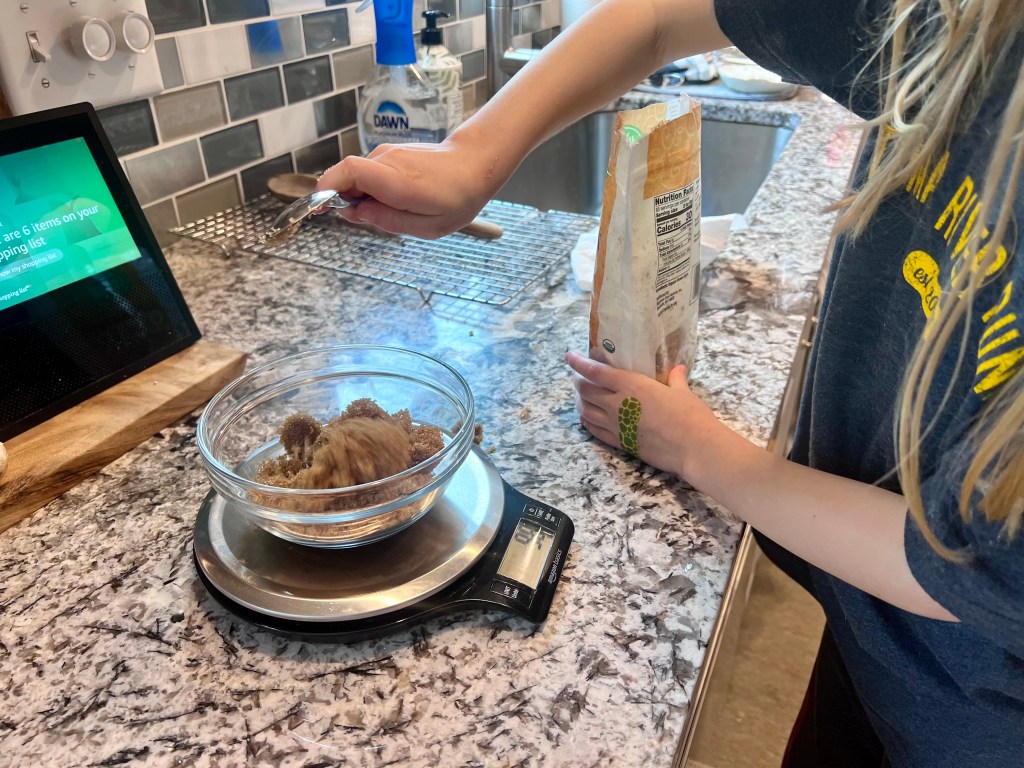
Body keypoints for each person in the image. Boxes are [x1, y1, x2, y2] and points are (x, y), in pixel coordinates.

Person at [316, 0, 1024, 764]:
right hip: (874, 639)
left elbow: (959, 564)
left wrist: (698, 447)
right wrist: (471, 157)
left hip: (975, 717)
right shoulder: (962, 23)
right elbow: (657, 16)